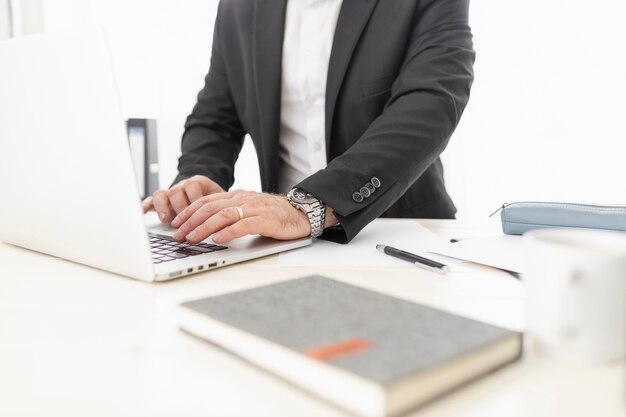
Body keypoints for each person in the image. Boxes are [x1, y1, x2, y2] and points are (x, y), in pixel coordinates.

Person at [142, 0, 475, 244]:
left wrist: (310, 205)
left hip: (402, 235)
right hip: (281, 245)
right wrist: (200, 177)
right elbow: (215, 117)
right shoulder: (239, 7)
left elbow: (431, 105)